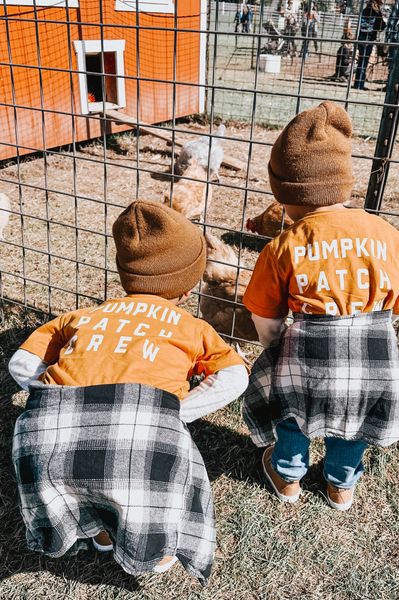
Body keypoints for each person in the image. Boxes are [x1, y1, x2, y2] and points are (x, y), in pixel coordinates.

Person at [9, 202, 248, 582]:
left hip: (45, 438)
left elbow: (20, 363)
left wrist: (51, 395)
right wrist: (174, 409)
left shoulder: (82, 316)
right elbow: (235, 376)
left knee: (83, 477)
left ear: (124, 274)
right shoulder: (192, 327)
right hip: (143, 436)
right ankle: (151, 551)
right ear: (188, 288)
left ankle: (101, 532)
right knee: (146, 487)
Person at [242, 101, 399, 511]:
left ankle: (288, 476)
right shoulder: (387, 234)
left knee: (292, 412)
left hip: (307, 360)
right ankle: (340, 484)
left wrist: (276, 351)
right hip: (372, 359)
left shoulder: (284, 246)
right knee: (356, 423)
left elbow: (266, 317)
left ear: (285, 192)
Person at [354, 0, 386, 90]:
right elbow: (381, 27)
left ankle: (358, 83)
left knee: (361, 60)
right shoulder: (377, 13)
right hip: (369, 39)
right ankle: (359, 84)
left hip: (361, 37)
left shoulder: (364, 10)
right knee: (364, 61)